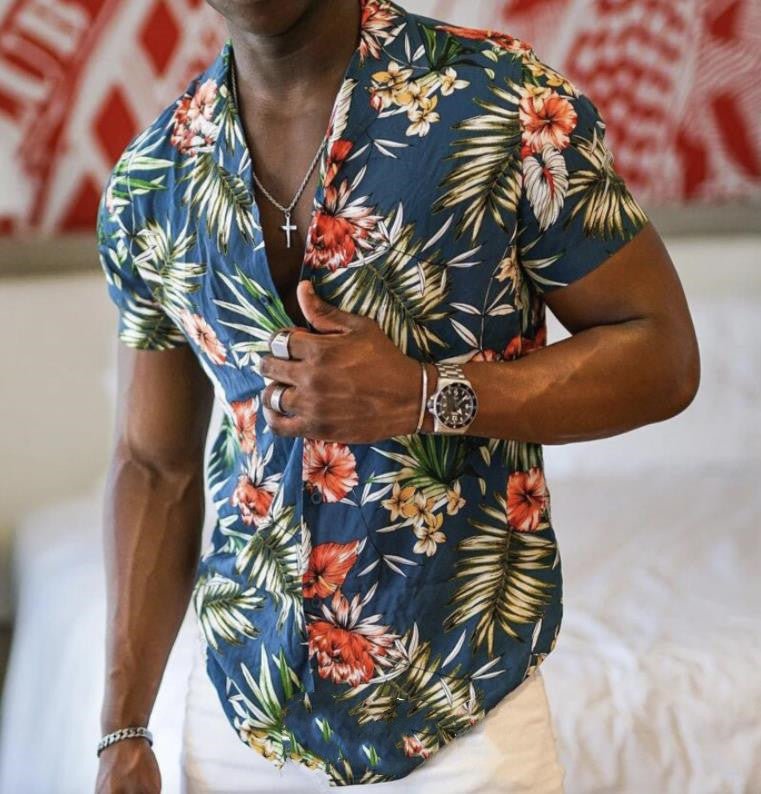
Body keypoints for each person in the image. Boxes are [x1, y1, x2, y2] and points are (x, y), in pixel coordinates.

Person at [93, 0, 700, 791]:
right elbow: (153, 463)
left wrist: (425, 393)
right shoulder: (153, 181)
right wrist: (122, 728)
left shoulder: (500, 101)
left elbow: (661, 353)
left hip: (464, 706)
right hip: (241, 721)